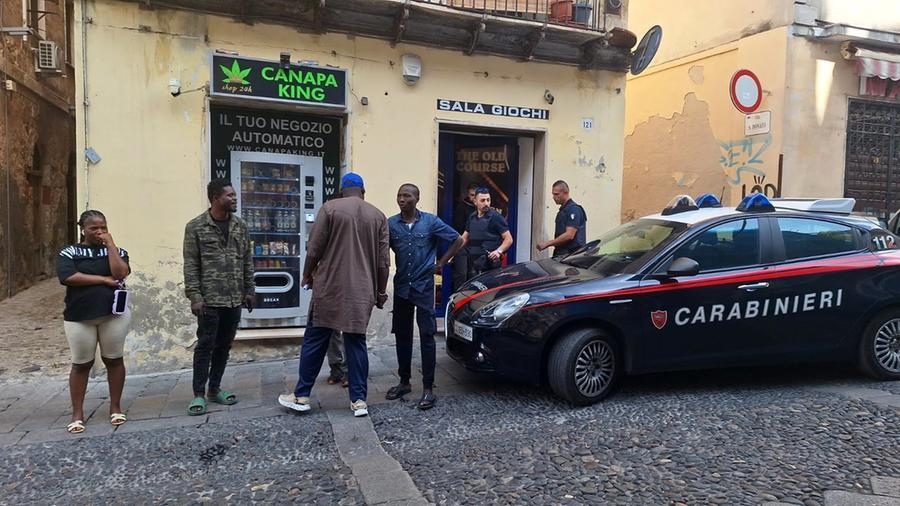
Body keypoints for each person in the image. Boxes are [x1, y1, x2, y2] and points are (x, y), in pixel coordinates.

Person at [278, 172, 390, 417]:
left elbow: (314, 248)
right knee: (356, 342)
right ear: (363, 192)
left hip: (330, 287)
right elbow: (383, 262)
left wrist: (307, 275)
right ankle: (359, 401)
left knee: (315, 339)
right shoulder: (378, 216)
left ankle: (301, 396)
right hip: (362, 289)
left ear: (341, 191)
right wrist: (381, 292)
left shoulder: (330, 209)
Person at [386, 184, 464, 410]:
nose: (402, 199)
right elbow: (382, 249)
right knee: (402, 336)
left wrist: (441, 263)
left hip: (424, 288)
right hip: (402, 287)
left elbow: (457, 240)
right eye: (399, 195)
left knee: (427, 336)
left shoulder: (430, 222)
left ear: (417, 198)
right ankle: (404, 382)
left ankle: (428, 388)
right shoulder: (391, 224)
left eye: (407, 195)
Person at [183, 178, 255, 416]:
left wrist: (250, 290)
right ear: (215, 198)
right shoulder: (196, 227)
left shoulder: (240, 226)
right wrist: (195, 296)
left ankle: (215, 388)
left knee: (224, 346)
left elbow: (247, 260)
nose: (234, 199)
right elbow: (191, 264)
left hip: (234, 298)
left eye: (234, 195)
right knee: (205, 346)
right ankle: (198, 393)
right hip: (209, 300)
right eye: (229, 196)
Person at [57, 210, 132, 434]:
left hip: (113, 315)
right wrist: (103, 280)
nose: (99, 231)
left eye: (103, 227)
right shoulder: (69, 252)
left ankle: (115, 407)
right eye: (94, 228)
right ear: (83, 230)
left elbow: (120, 273)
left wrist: (110, 245)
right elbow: (68, 277)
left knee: (114, 360)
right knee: (81, 364)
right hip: (79, 317)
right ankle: (77, 414)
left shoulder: (119, 251)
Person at [460, 187, 514, 280]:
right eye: (483, 200)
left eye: (488, 200)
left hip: (491, 265)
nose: (486, 203)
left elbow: (509, 239)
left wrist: (498, 251)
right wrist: (452, 252)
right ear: (475, 201)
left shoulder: (496, 217)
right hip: (474, 264)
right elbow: (464, 238)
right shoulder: (472, 217)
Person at [536, 180, 587, 257]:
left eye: (556, 194)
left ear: (566, 192)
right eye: (553, 194)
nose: (554, 197)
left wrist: (547, 243)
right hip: (562, 255)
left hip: (571, 256)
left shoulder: (573, 210)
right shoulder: (563, 210)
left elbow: (569, 235)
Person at [452, 183, 478, 291]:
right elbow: (457, 226)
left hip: (476, 245)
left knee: (474, 274)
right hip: (462, 244)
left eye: (475, 195)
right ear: (468, 194)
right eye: (471, 195)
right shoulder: (462, 207)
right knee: (461, 274)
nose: (473, 198)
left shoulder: (482, 207)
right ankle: (457, 298)